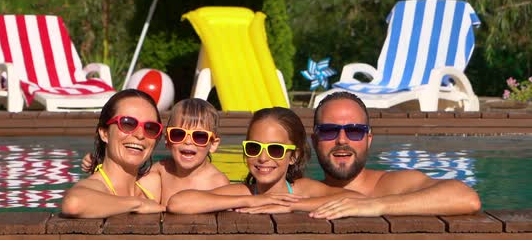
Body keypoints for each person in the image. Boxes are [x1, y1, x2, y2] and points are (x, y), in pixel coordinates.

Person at [308, 91, 482, 219]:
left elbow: (467, 198)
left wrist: (374, 205)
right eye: (329, 131)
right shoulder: (302, 191)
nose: (342, 140)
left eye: (354, 131)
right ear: (315, 141)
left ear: (368, 140)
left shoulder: (394, 185)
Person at [167, 107, 363, 214]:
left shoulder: (301, 190)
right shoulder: (244, 191)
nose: (262, 158)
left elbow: (358, 198)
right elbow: (178, 203)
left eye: (275, 149)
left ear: (293, 155)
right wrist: (253, 201)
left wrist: (291, 205)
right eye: (254, 148)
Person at [81, 98, 229, 205]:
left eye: (200, 137)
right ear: (167, 140)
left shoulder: (217, 182)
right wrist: (98, 166)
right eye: (178, 134)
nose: (188, 141)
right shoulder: (161, 171)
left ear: (213, 144)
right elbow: (123, 185)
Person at [61, 89, 166, 218]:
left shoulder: (153, 184)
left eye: (150, 128)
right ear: (105, 133)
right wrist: (138, 204)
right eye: (127, 123)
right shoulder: (97, 186)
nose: (139, 135)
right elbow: (73, 204)